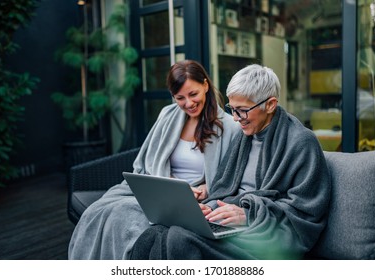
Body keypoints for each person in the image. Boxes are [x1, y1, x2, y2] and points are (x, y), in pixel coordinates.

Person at [129, 64, 331, 260]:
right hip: (229, 221)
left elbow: (306, 213)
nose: (235, 118)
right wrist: (208, 208)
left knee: (179, 240)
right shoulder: (245, 137)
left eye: (242, 110)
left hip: (262, 232)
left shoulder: (301, 142)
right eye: (232, 109)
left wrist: (249, 215)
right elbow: (224, 188)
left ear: (270, 105)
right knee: (154, 234)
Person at [68, 60, 239, 259]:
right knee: (99, 212)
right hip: (161, 189)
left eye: (193, 94)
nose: (188, 104)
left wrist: (204, 188)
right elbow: (146, 164)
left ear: (205, 85)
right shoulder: (168, 115)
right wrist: (169, 183)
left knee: (126, 219)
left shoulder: (229, 127)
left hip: (196, 199)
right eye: (180, 98)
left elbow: (230, 177)